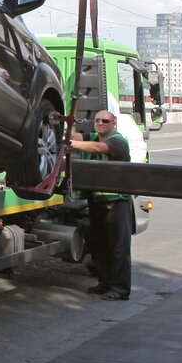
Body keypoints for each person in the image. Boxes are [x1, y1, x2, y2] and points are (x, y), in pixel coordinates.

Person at [71, 110, 132, 301]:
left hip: (117, 203)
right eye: (97, 120)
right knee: (100, 246)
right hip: (97, 202)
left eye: (105, 120)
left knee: (118, 248)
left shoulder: (117, 141)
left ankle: (120, 290)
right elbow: (76, 136)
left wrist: (70, 145)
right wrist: (62, 122)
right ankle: (104, 283)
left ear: (114, 123)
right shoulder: (94, 135)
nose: (100, 123)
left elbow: (98, 148)